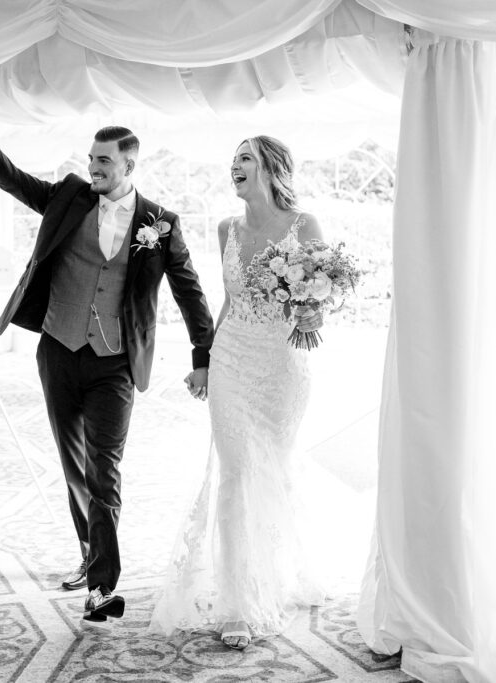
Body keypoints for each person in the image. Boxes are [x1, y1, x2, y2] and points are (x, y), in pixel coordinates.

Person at [0, 78, 214, 623]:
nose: (94, 168)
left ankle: (102, 588)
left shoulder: (161, 224)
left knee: (104, 471)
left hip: (114, 362)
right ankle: (91, 560)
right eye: (91, 158)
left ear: (130, 166)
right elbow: (11, 179)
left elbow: (190, 292)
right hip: (59, 352)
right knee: (74, 466)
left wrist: (202, 356)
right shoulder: (67, 196)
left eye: (104, 161)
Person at [149, 136, 325, 649]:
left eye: (244, 158)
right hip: (231, 359)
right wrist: (204, 362)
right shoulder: (226, 228)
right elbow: (228, 300)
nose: (234, 166)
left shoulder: (304, 226)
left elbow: (317, 296)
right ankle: (237, 605)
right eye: (233, 160)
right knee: (236, 472)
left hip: (281, 367)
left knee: (270, 468)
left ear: (271, 169)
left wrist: (313, 307)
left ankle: (274, 570)